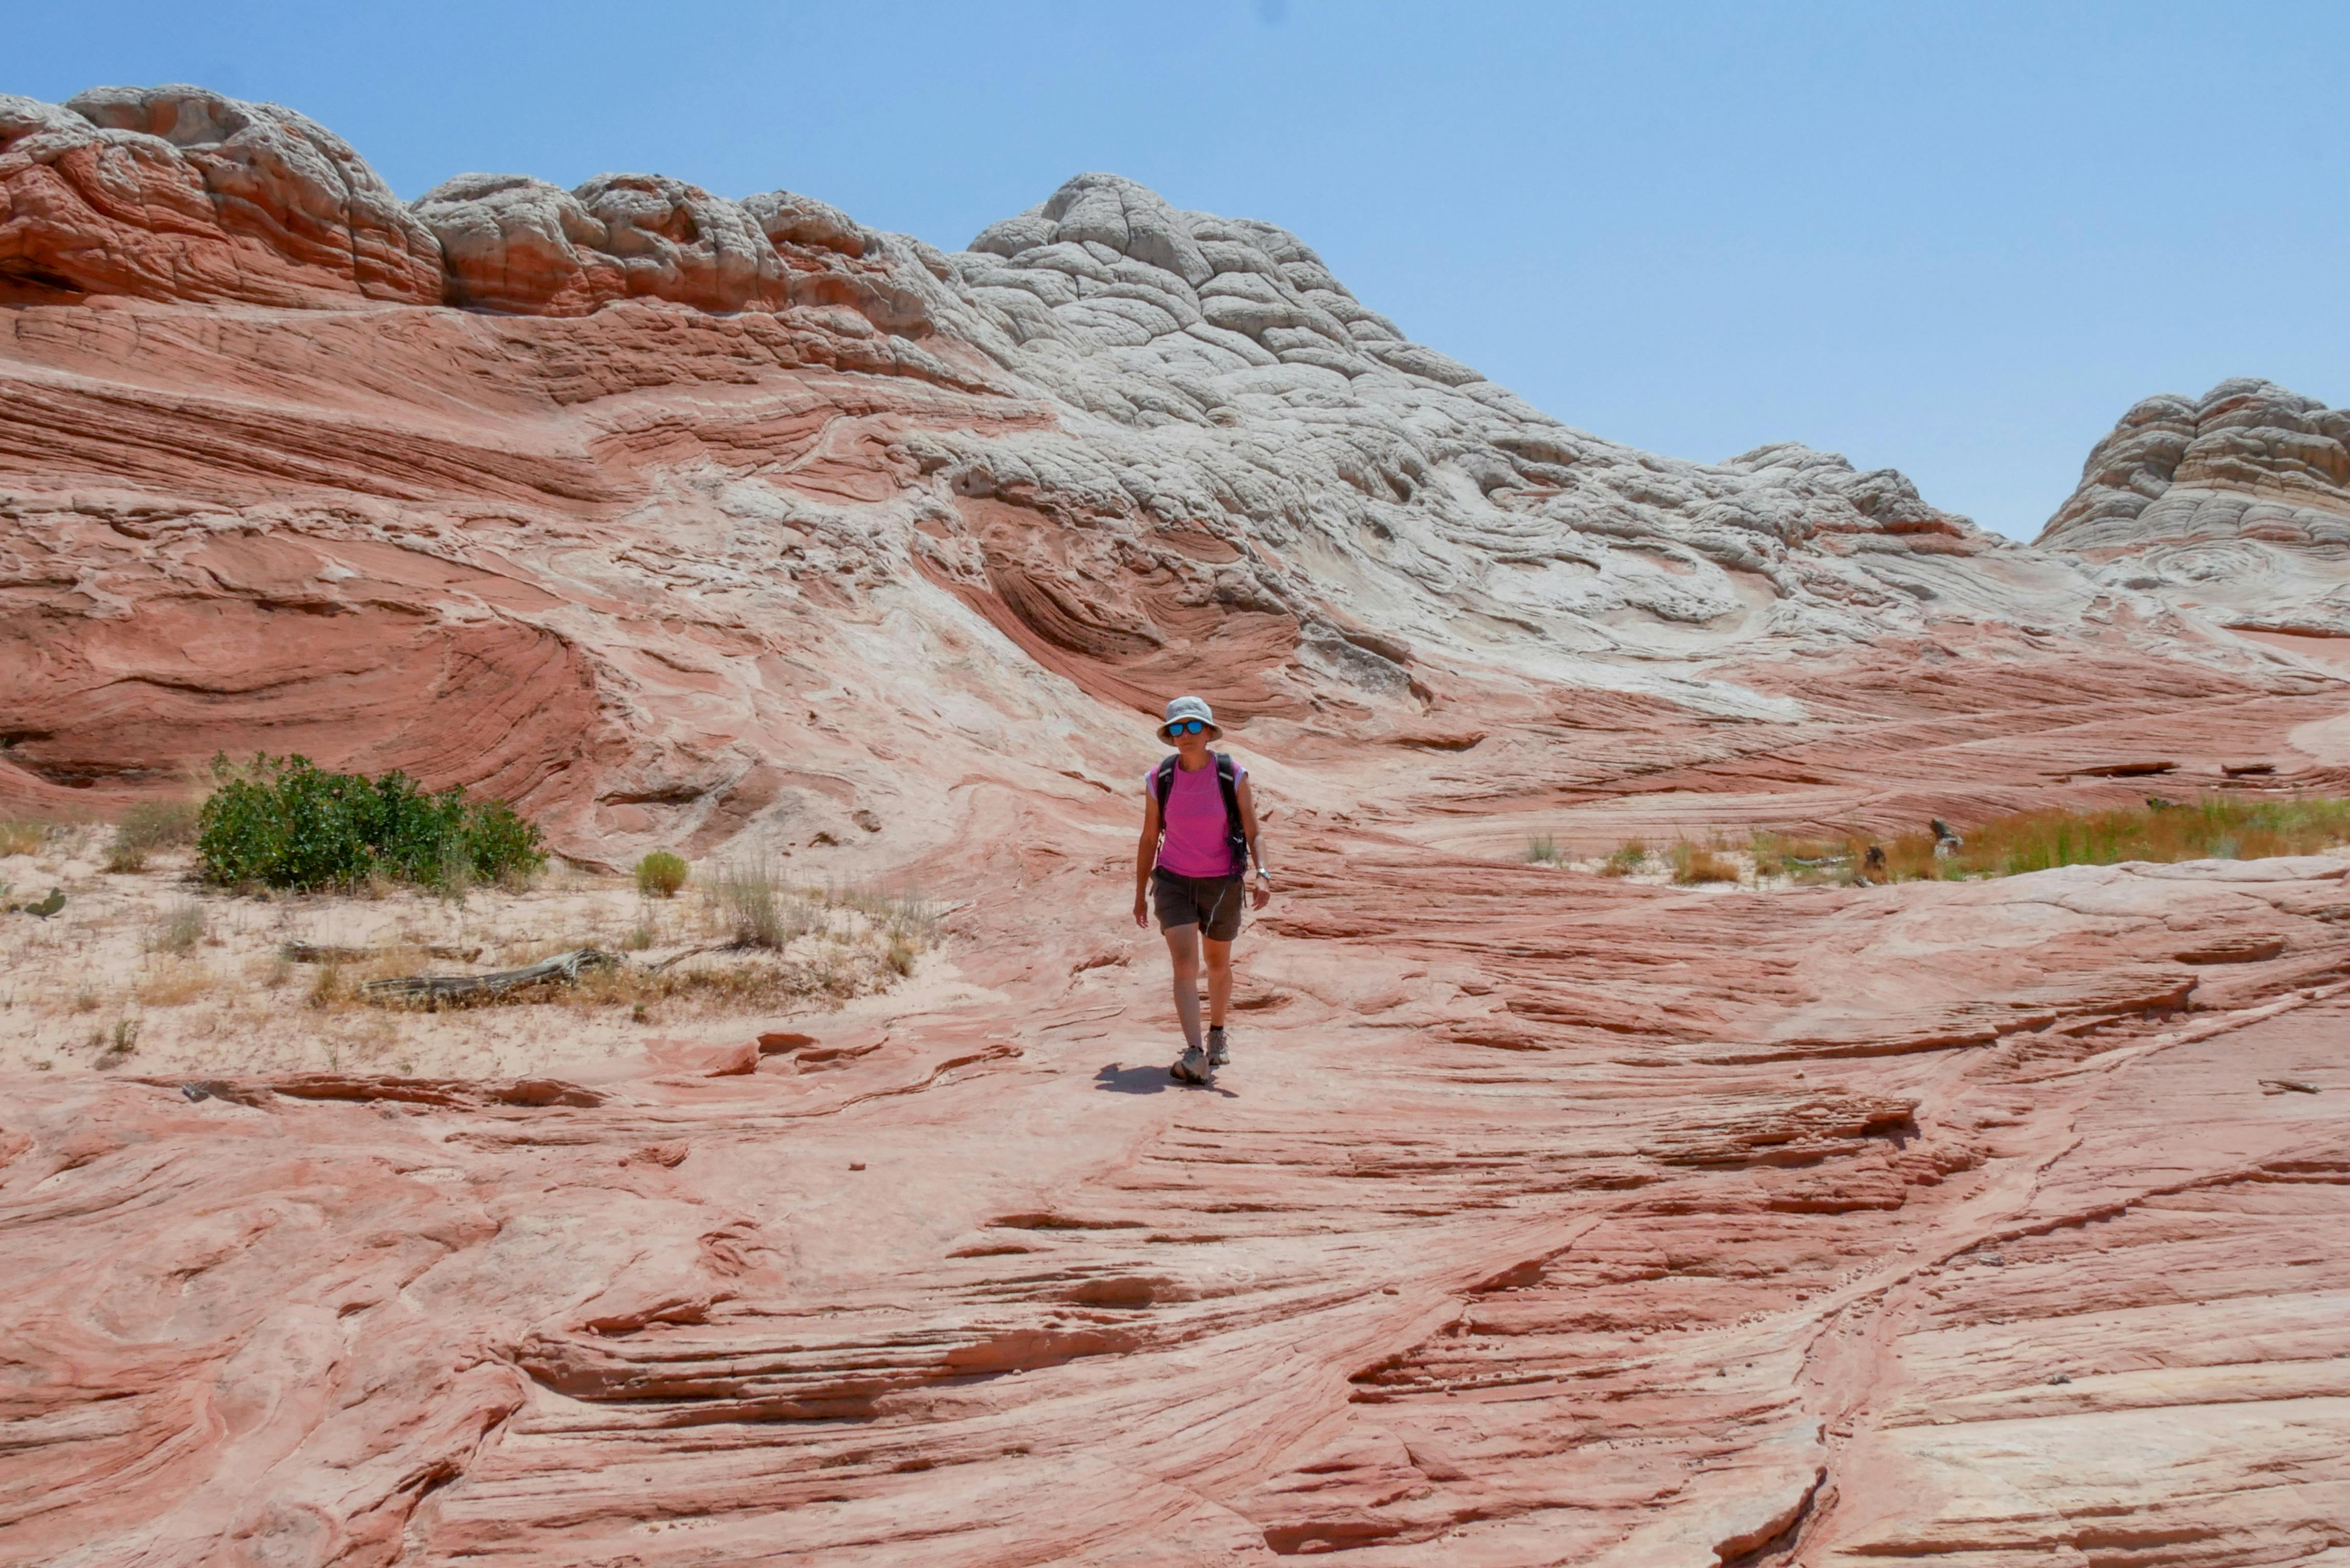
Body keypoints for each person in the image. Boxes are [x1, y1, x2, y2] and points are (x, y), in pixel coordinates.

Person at [1133, 695, 1271, 1084]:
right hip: (1173, 881)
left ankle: (1217, 1032)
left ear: (1209, 732)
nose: (1186, 734)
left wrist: (1263, 874)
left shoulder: (1231, 775)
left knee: (1218, 964)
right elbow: (1149, 838)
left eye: (1194, 726)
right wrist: (1140, 893)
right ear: (1170, 735)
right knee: (1185, 966)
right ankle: (1194, 1052)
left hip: (1221, 883)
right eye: (1178, 728)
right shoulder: (1160, 778)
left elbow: (1254, 831)